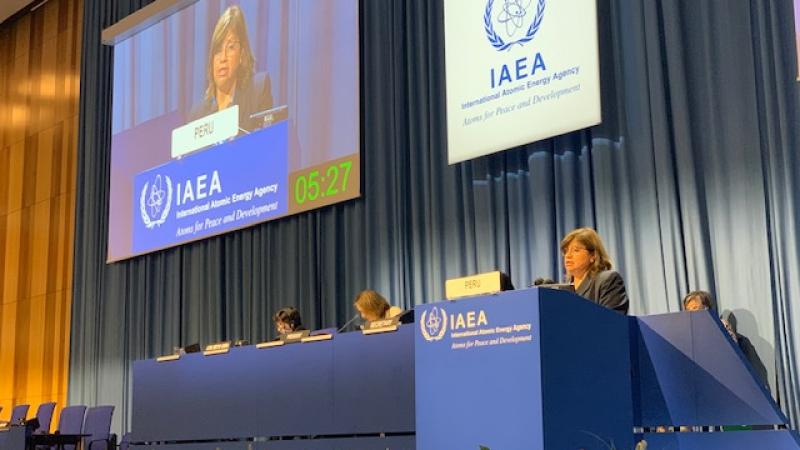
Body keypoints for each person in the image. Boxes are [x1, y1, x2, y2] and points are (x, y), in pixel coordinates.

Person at [189, 5, 274, 132]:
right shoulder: (197, 115)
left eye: (230, 47)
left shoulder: (257, 90)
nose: (223, 58)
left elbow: (269, 140)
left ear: (242, 54)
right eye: (218, 50)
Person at [560, 227, 629, 314]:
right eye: (565, 251)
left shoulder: (608, 280)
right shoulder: (564, 290)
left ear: (593, 255)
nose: (568, 256)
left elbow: (612, 319)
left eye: (576, 250)